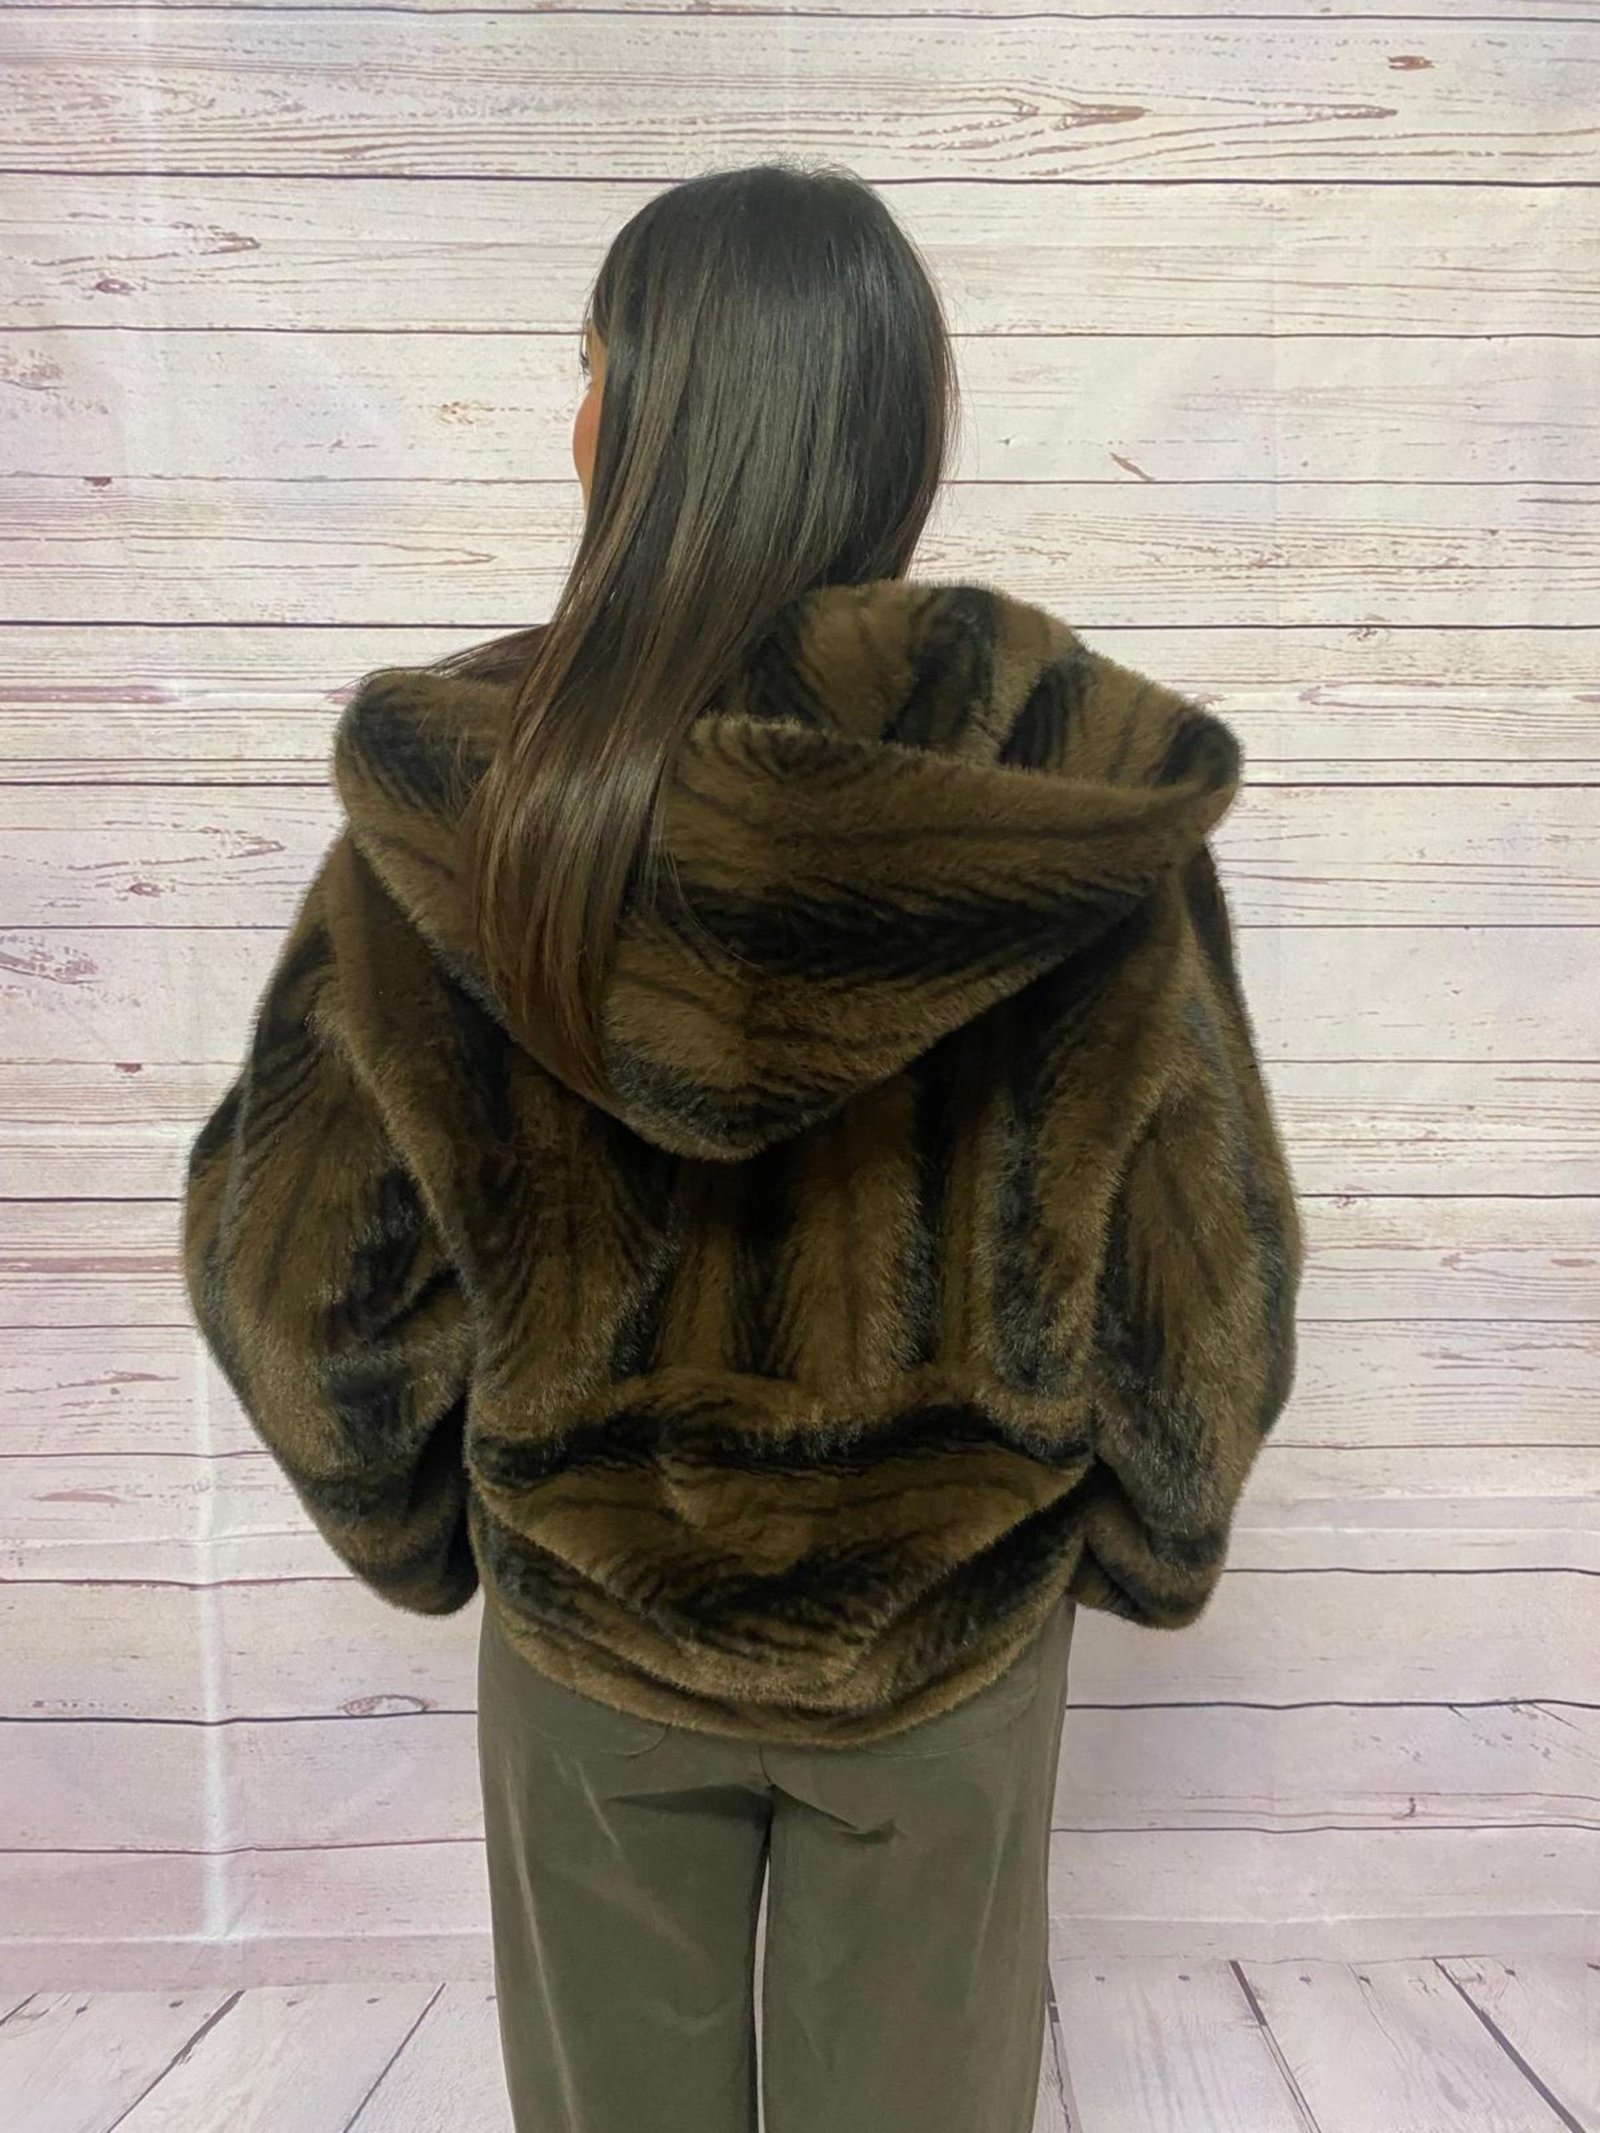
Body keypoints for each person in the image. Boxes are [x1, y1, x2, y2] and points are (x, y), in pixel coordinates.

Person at [181, 160, 1304, 2133]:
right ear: (901, 425)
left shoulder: (474, 807)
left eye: (586, 365)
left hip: (589, 1635)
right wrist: (1129, 1543)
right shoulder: (1060, 804)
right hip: (946, 1642)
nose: (570, 411)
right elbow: (1201, 1284)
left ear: (633, 416)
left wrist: (444, 1532)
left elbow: (299, 1289)